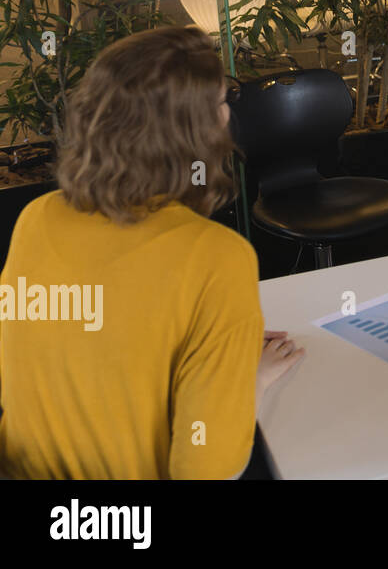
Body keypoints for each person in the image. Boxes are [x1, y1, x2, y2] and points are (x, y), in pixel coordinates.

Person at [0, 26, 304, 479]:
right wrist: (246, 379)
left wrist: (212, 348)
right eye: (223, 101)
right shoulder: (217, 257)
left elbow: (76, 349)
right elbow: (206, 467)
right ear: (196, 133)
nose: (227, 115)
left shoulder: (37, 218)